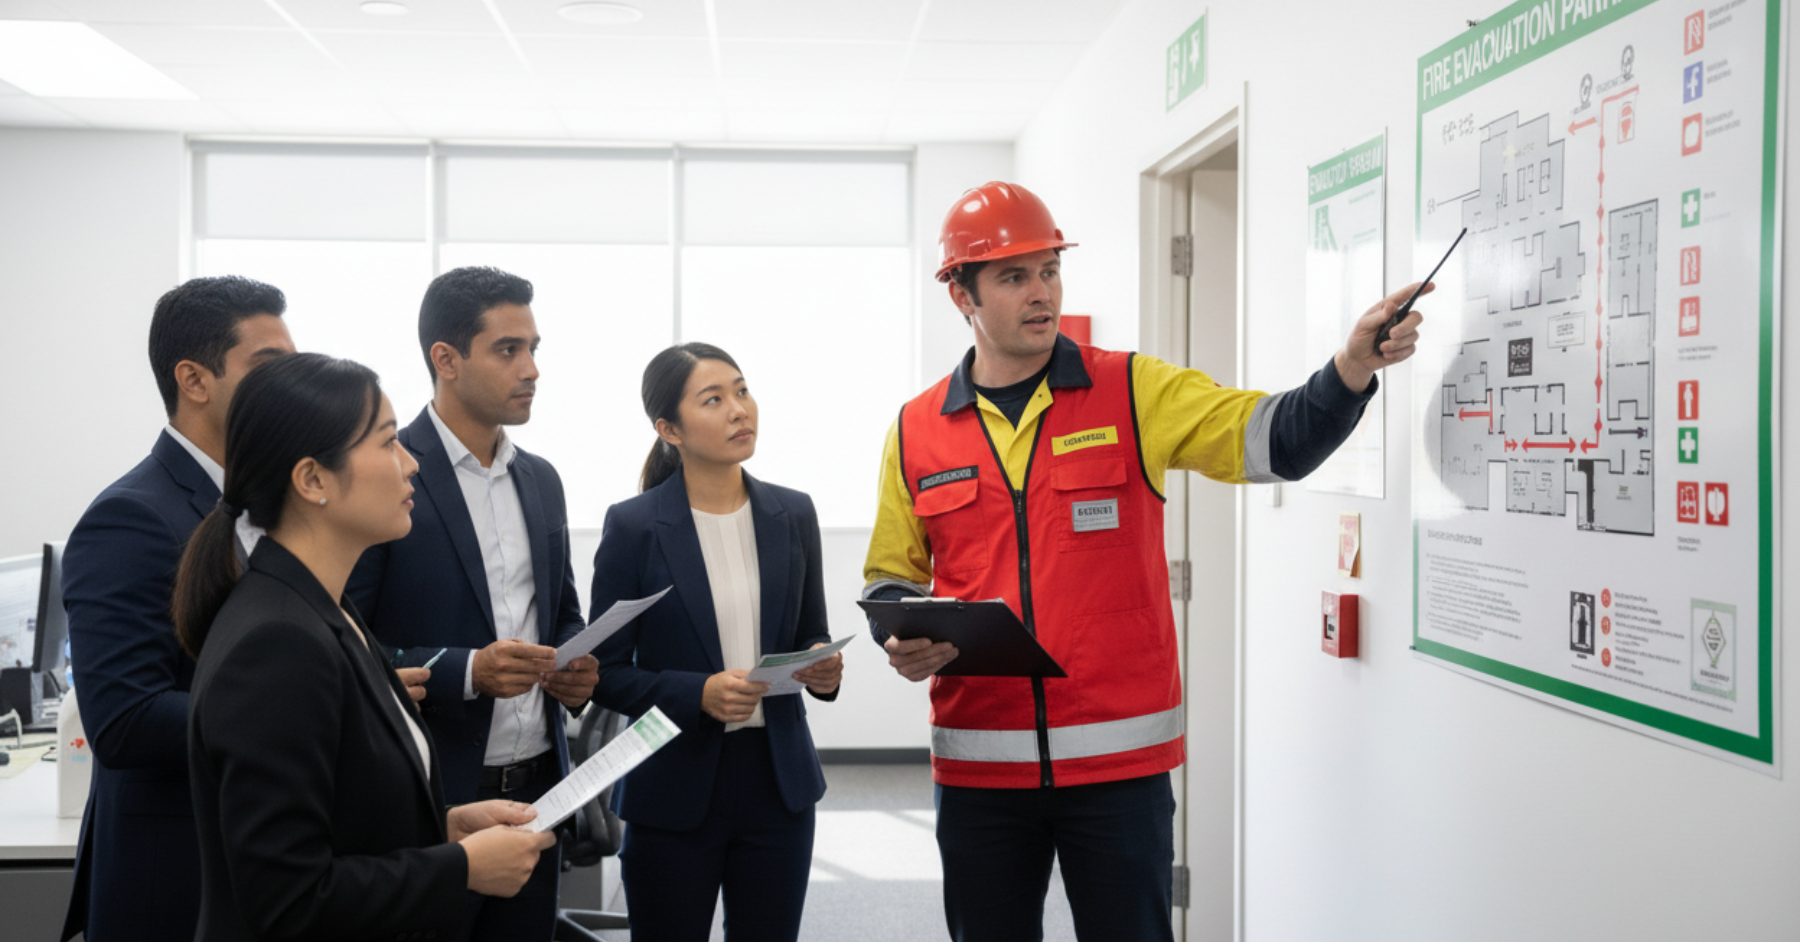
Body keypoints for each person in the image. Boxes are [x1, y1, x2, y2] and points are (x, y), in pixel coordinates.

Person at [861, 181, 1429, 941]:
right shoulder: (916, 428)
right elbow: (890, 574)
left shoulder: (1131, 389)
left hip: (1118, 768)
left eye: (1050, 270)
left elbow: (1275, 439)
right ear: (961, 294)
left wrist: (1350, 368)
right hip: (979, 770)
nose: (1042, 293)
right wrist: (901, 636)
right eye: (1013, 276)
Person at [175, 352, 555, 941]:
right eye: (386, 444)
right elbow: (285, 899)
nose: (410, 465)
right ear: (312, 480)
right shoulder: (276, 642)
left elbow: (347, 817)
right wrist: (460, 867)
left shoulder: (327, 608)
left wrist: (446, 828)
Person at [348, 266, 597, 941]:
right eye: (508, 350)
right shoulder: (388, 473)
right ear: (446, 360)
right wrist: (466, 671)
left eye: (535, 349)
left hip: (540, 788)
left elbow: (563, 614)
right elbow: (345, 641)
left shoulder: (541, 480)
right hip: (433, 793)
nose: (532, 369)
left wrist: (576, 666)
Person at [58, 276, 296, 942]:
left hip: (261, 858)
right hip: (176, 874)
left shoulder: (266, 506)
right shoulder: (132, 517)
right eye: (269, 368)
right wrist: (300, 710)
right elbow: (126, 721)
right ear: (194, 379)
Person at [589, 343, 843, 941]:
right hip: (673, 783)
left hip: (778, 784)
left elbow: (811, 631)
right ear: (669, 429)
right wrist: (696, 692)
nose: (738, 409)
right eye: (714, 399)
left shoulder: (793, 512)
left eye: (741, 390)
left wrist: (823, 667)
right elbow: (602, 670)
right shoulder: (634, 525)